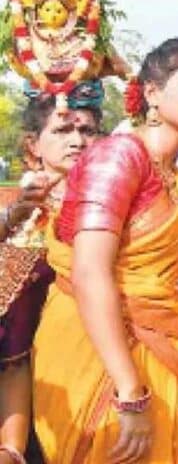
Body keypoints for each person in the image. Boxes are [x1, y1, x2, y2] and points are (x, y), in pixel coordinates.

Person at [33, 37, 178, 463]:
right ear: (152, 94)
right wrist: (130, 392)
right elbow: (89, 273)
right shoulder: (118, 157)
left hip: (158, 346)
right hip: (102, 355)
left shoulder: (174, 176)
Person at [0, 94, 98, 463]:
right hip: (24, 390)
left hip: (93, 376)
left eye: (87, 130)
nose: (77, 140)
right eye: (62, 130)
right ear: (32, 145)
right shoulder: (19, 217)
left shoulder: (110, 216)